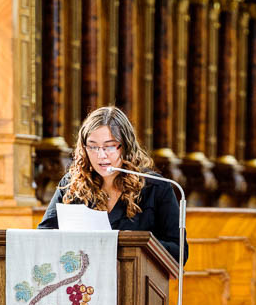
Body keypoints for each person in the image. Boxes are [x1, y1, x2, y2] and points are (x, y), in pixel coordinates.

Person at [38, 106, 188, 264]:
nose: (101, 155)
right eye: (93, 147)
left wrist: (138, 244)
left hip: (135, 282)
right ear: (84, 148)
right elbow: (43, 237)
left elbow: (180, 253)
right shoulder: (70, 184)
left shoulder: (156, 187)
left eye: (109, 146)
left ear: (126, 146)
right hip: (80, 282)